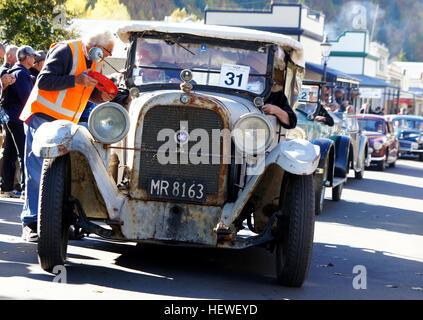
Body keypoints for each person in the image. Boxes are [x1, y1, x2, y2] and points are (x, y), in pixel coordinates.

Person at [19, 30, 117, 242]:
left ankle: (52, 224)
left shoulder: (95, 60)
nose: (108, 56)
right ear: (96, 46)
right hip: (42, 116)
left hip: (63, 124)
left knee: (58, 175)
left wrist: (101, 97)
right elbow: (44, 81)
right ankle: (32, 223)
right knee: (36, 171)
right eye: (108, 51)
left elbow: (85, 91)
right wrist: (76, 80)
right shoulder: (66, 50)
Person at [0, 46, 38, 199]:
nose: (34, 59)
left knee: (9, 154)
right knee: (23, 153)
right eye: (33, 56)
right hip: (17, 118)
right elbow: (26, 98)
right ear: (27, 57)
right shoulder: (22, 73)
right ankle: (25, 191)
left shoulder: (16, 71)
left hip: (10, 118)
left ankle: (7, 188)